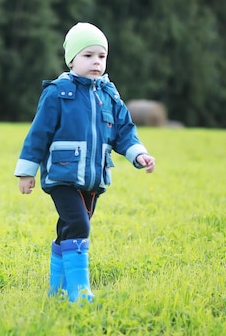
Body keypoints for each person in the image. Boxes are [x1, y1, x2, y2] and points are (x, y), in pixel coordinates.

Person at [14, 22, 155, 304]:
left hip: (94, 178)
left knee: (67, 229)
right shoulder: (58, 92)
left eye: (101, 56)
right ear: (72, 59)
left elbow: (124, 131)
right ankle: (79, 292)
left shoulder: (109, 95)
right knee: (79, 225)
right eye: (88, 55)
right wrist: (27, 172)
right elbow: (38, 134)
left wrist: (138, 154)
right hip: (62, 176)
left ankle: (57, 289)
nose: (95, 62)